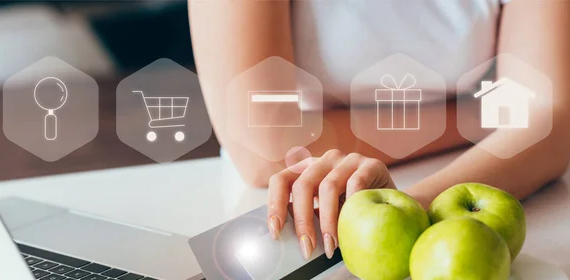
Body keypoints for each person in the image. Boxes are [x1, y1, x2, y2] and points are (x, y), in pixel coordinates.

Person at [189, 0, 570, 259]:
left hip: (450, 179)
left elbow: (549, 119)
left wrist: (405, 208)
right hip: (297, 198)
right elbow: (265, 147)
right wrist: (482, 116)